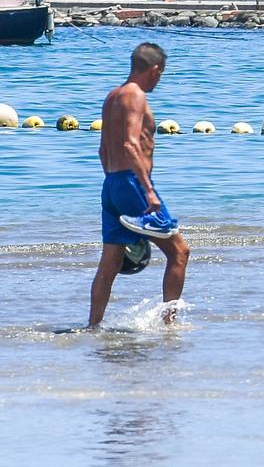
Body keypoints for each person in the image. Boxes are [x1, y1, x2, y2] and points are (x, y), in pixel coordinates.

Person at [89, 43, 190, 328]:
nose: (160, 80)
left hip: (111, 183)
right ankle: (170, 324)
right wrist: (147, 191)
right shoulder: (135, 95)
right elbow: (130, 144)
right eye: (161, 74)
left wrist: (116, 185)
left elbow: (102, 150)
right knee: (180, 252)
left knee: (110, 261)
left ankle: (93, 326)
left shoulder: (112, 97)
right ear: (155, 69)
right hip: (133, 184)